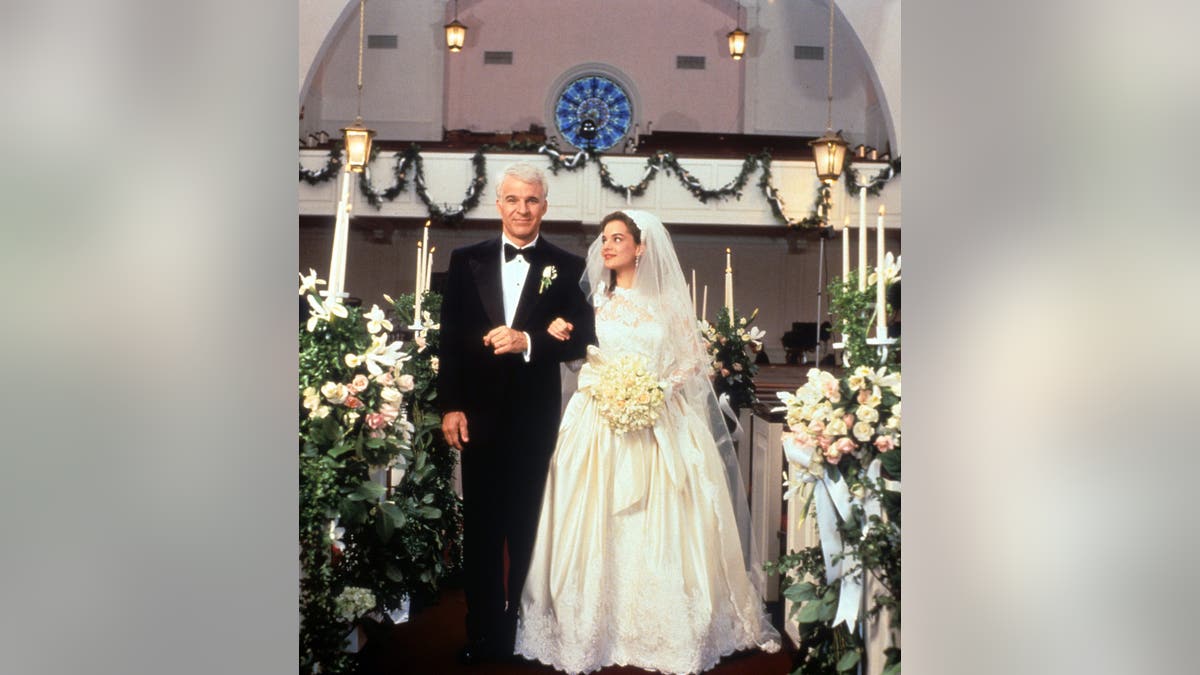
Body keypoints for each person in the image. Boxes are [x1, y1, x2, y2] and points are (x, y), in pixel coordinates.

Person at [515, 210, 781, 674]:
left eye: (618, 238)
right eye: (604, 238)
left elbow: (691, 363)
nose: (607, 245)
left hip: (660, 419)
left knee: (669, 521)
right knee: (591, 516)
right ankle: (591, 625)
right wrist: (581, 358)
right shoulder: (593, 301)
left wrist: (655, 390)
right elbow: (578, 357)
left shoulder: (669, 305)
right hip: (598, 421)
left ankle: (671, 625)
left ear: (641, 247)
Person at [438, 162, 596, 665]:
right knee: (482, 529)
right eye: (512, 199)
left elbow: (583, 337)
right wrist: (450, 406)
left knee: (530, 527)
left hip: (535, 419)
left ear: (544, 206)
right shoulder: (466, 261)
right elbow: (451, 341)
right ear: (498, 204)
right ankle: (483, 635)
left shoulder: (568, 268)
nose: (522, 209)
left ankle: (524, 636)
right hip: (477, 418)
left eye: (531, 200)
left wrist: (528, 340)